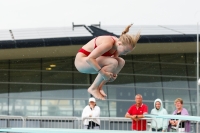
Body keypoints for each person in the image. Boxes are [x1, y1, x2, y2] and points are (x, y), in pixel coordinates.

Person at [74, 24, 140, 100]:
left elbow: (113, 65)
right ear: (119, 44)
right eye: (125, 51)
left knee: (121, 61)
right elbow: (90, 59)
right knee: (113, 62)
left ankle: (99, 87)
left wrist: (113, 75)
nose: (125, 54)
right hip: (81, 62)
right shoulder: (108, 44)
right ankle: (93, 88)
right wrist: (103, 73)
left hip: (91, 63)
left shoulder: (117, 46)